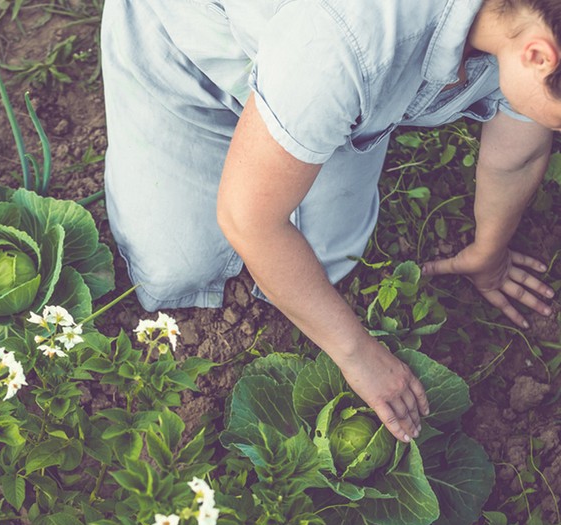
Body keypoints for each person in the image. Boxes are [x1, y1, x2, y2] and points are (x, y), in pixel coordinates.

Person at [100, 0, 558, 444]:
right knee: (177, 270)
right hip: (197, 58)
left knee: (325, 261)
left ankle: (296, 135)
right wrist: (358, 355)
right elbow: (248, 222)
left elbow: (521, 148)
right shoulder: (345, 37)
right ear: (538, 56)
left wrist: (489, 252)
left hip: (319, 82)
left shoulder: (528, 25)